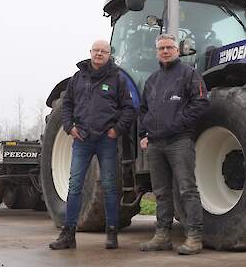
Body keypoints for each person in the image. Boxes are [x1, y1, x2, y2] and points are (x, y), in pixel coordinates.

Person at [49, 40, 135, 250]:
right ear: (90, 53)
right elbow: (67, 104)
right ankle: (68, 235)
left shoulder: (117, 79)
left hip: (106, 140)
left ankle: (112, 233)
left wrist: (116, 130)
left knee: (109, 187)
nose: (99, 54)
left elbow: (129, 108)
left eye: (104, 51)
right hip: (82, 140)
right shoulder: (78, 78)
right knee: (75, 186)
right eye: (96, 50)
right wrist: (69, 127)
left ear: (109, 55)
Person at [139, 33, 209, 255]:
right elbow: (143, 110)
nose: (166, 51)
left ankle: (194, 237)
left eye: (169, 47)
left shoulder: (190, 75)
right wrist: (144, 133)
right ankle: (162, 236)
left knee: (187, 189)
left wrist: (178, 124)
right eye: (161, 48)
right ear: (156, 52)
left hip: (180, 141)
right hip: (155, 144)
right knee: (161, 192)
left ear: (178, 51)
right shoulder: (151, 81)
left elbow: (201, 103)